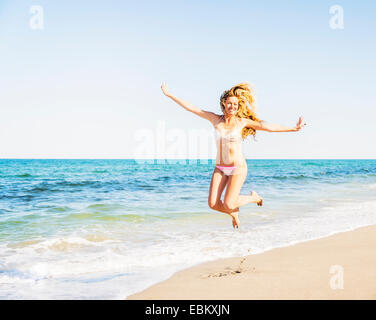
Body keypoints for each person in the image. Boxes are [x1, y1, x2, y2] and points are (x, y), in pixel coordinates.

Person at [161, 82, 306, 229]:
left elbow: (267, 127)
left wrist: (292, 129)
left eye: (236, 104)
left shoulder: (242, 122)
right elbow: (193, 109)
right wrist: (170, 95)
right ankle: (233, 213)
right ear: (224, 104)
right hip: (220, 167)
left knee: (229, 203)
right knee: (213, 204)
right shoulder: (215, 120)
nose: (233, 107)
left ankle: (253, 198)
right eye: (230, 103)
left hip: (238, 167)